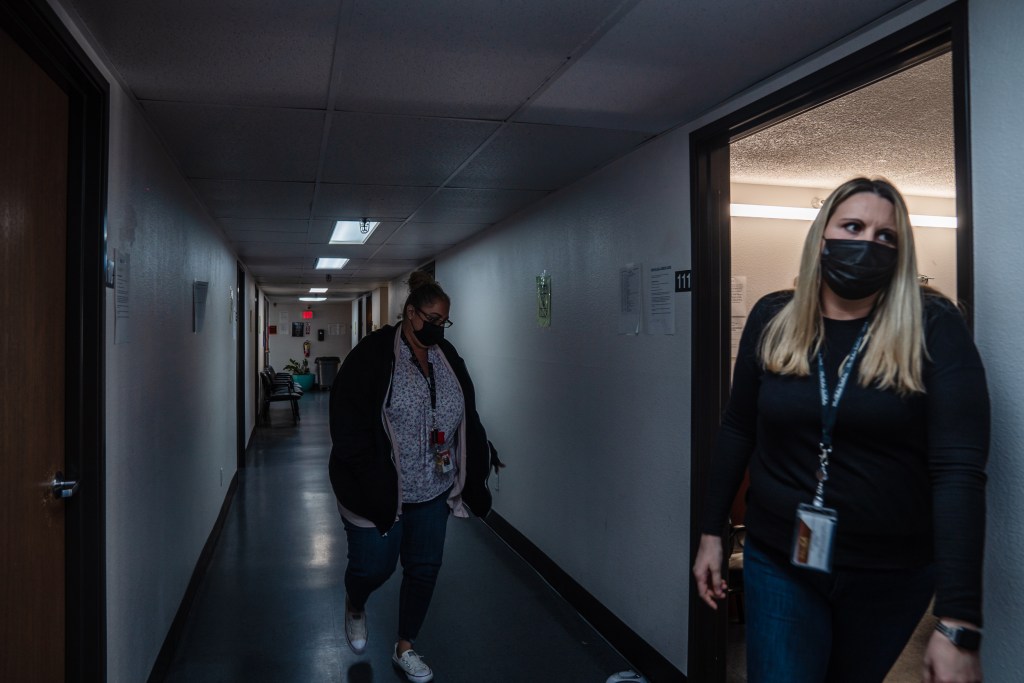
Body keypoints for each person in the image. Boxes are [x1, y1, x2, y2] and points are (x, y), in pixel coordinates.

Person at [692, 177, 988, 683]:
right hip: (780, 553)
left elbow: (958, 467)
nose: (868, 242)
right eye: (853, 226)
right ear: (822, 237)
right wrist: (710, 533)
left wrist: (959, 620)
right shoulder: (773, 317)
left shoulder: (933, 324)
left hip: (890, 571)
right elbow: (739, 427)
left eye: (886, 236)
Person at [328, 270, 503, 683]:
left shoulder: (446, 357)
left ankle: (405, 645)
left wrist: (480, 456)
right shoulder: (373, 355)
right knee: (374, 567)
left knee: (424, 568)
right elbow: (349, 424)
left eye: (445, 321)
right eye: (431, 318)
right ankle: (355, 603)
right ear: (410, 313)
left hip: (432, 489)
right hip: (379, 490)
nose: (438, 327)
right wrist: (368, 476)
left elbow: (467, 412)